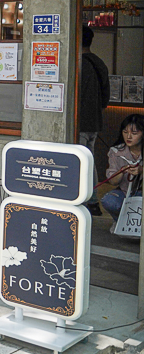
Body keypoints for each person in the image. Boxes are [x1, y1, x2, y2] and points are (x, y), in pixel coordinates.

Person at [79, 26, 110, 215]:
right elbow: (106, 97)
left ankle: (85, 200)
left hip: (79, 122)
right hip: (94, 121)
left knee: (80, 162)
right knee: (89, 162)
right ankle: (92, 201)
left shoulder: (79, 64)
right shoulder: (99, 63)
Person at [101, 114, 144, 222]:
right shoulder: (116, 152)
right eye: (125, 132)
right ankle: (120, 223)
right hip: (125, 192)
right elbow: (112, 182)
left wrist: (141, 170)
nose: (128, 137)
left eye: (134, 133)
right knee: (109, 201)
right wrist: (121, 171)